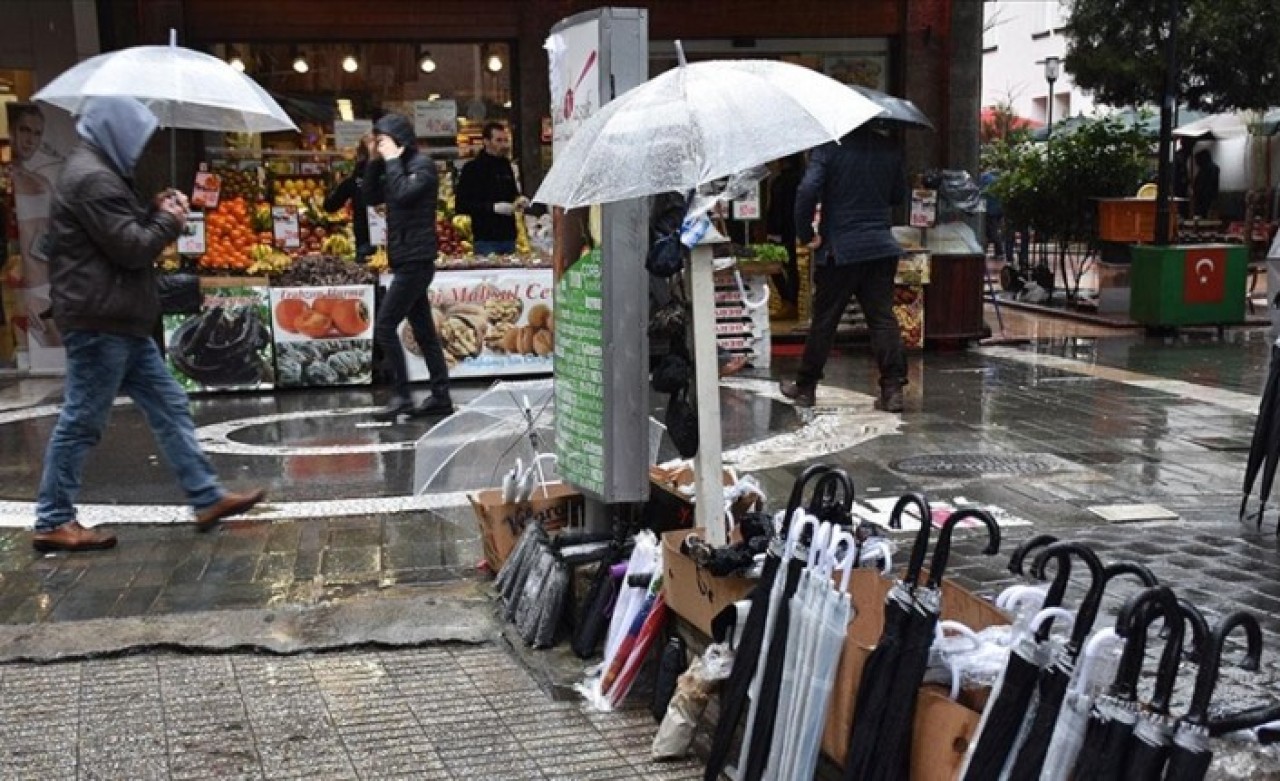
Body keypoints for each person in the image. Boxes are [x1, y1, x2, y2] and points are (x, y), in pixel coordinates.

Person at [32, 96, 265, 552]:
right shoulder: (93, 178)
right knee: (82, 420)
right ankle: (53, 518)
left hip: (119, 317)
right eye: (135, 137)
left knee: (169, 404)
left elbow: (116, 233)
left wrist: (151, 210)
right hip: (102, 319)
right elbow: (132, 248)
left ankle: (205, 496)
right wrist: (168, 220)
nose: (139, 148)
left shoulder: (98, 171)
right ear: (116, 131)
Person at [781, 125, 908, 413]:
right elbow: (898, 195)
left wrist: (805, 233)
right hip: (879, 247)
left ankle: (806, 387)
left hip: (840, 249)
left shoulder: (828, 149)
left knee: (825, 320)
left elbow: (807, 190)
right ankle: (893, 390)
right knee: (882, 319)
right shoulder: (889, 148)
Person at [361, 113, 453, 421]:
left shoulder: (422, 166)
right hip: (405, 258)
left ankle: (402, 395)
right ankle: (441, 396)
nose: (380, 145)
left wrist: (390, 160)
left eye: (383, 140)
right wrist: (374, 161)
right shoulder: (395, 166)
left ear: (398, 139)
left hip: (417, 259)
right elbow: (369, 197)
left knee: (385, 326)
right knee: (425, 332)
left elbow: (402, 193)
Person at [8, 103, 59, 347]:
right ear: (11, 130)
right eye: (24, 130)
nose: (30, 140)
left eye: (36, 133)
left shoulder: (41, 184)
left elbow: (49, 239)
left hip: (38, 284)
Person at [455, 121, 527, 255]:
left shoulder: (506, 166)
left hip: (509, 236)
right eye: (498, 140)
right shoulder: (472, 169)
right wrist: (492, 208)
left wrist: (519, 200)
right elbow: (462, 205)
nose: (504, 145)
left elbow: (512, 193)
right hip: (485, 238)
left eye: (505, 140)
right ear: (486, 141)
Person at [323, 134, 374, 262]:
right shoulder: (392, 174)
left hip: (364, 240)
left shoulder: (354, 180)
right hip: (393, 240)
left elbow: (330, 205)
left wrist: (330, 185)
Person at [766, 154, 804, 319]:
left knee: (780, 264)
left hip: (781, 228)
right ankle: (789, 302)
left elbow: (778, 208)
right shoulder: (798, 179)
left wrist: (773, 228)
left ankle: (788, 301)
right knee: (788, 265)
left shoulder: (783, 181)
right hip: (788, 227)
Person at [1192, 148, 1220, 219]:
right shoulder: (1212, 169)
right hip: (1207, 198)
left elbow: (1203, 185)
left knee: (1202, 217)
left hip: (1204, 199)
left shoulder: (1206, 170)